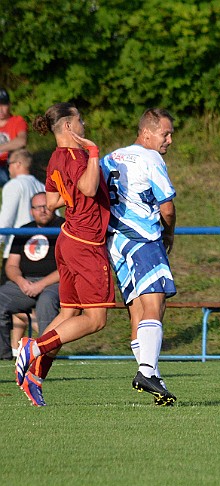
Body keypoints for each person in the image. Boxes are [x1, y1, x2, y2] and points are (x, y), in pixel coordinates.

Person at [15, 102, 115, 407]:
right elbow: (87, 187)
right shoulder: (77, 155)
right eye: (80, 120)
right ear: (69, 127)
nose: (84, 124)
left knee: (68, 314)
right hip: (85, 243)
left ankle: (35, 376)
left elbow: (54, 201)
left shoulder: (56, 157)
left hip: (68, 239)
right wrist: (94, 154)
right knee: (95, 319)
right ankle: (33, 347)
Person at [100, 108, 177, 406]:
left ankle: (154, 378)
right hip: (143, 238)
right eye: (165, 133)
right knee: (155, 303)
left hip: (115, 242)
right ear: (146, 132)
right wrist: (168, 234)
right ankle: (147, 371)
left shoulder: (110, 158)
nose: (169, 140)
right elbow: (166, 207)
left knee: (137, 310)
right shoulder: (151, 158)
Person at [0, 193, 63, 361]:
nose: (42, 211)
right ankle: (3, 355)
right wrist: (21, 281)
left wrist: (40, 285)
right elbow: (11, 265)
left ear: (53, 206)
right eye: (37, 207)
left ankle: (44, 355)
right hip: (25, 283)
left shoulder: (65, 228)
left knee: (46, 301)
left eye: (46, 206)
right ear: (31, 211)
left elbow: (68, 267)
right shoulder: (24, 230)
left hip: (55, 283)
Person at [0, 149, 45, 275]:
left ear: (18, 164)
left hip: (16, 250)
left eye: (9, 164)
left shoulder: (13, 185)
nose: (8, 169)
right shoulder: (42, 186)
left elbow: (5, 220)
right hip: (42, 248)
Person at [0, 88, 28, 187]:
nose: (1, 109)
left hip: (9, 165)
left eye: (3, 104)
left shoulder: (17, 121)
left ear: (9, 105)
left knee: (18, 152)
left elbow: (22, 141)